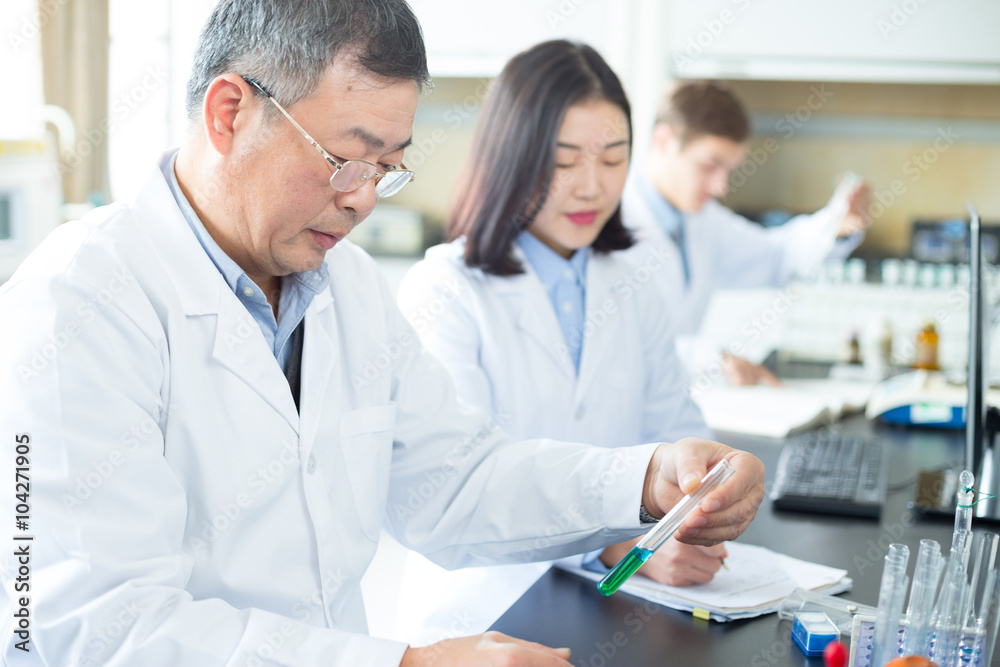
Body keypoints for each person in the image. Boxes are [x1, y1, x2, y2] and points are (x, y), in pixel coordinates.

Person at [0, 2, 765, 666]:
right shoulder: (79, 302)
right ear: (228, 112)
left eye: (387, 167)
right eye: (344, 160)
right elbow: (93, 627)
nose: (363, 198)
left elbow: (456, 481)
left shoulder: (350, 289)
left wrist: (642, 477)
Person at [393, 40, 729, 640]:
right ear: (512, 157)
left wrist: (692, 513)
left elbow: (675, 428)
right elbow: (461, 491)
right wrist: (612, 543)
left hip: (621, 607)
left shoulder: (636, 284)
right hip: (480, 614)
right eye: (565, 159)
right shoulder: (444, 291)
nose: (592, 187)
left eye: (612, 158)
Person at [621, 80, 873, 386]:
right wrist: (711, 357)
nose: (721, 186)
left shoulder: (703, 221)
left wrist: (836, 225)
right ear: (664, 141)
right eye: (710, 165)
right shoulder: (610, 221)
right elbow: (622, 348)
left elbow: (775, 256)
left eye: (729, 170)